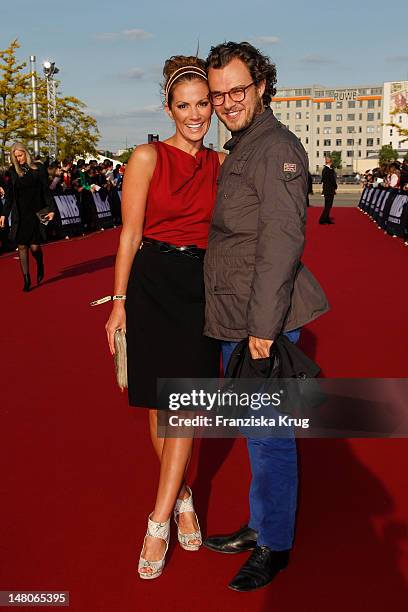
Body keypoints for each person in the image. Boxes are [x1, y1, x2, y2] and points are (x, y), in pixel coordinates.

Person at [202, 41, 329, 592]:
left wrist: (261, 330)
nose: (228, 102)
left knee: (271, 438)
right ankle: (261, 525)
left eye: (238, 90)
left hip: (260, 321)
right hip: (236, 314)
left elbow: (281, 244)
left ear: (261, 87)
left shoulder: (277, 147)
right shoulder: (244, 145)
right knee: (258, 436)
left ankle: (275, 546)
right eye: (218, 93)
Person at [104, 55, 223, 580]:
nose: (195, 115)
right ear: (168, 108)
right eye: (184, 106)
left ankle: (158, 520)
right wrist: (117, 302)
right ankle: (184, 497)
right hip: (152, 284)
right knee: (158, 405)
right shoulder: (147, 156)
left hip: (200, 289)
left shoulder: (222, 164)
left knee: (187, 406)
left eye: (203, 104)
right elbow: (129, 235)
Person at [0, 142, 55, 291]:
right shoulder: (13, 171)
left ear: (26, 153)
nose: (18, 159)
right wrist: (4, 214)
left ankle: (40, 263)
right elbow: (10, 196)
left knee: (35, 247)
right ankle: (26, 278)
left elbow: (46, 191)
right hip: (20, 214)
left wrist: (51, 209)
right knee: (22, 246)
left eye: (20, 155)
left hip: (38, 212)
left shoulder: (38, 168)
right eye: (15, 156)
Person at [319, 155, 337, 224]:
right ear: (330, 162)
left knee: (328, 205)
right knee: (328, 206)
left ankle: (326, 218)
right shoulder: (329, 170)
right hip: (329, 190)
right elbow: (332, 180)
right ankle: (322, 219)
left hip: (327, 190)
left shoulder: (325, 170)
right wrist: (335, 186)